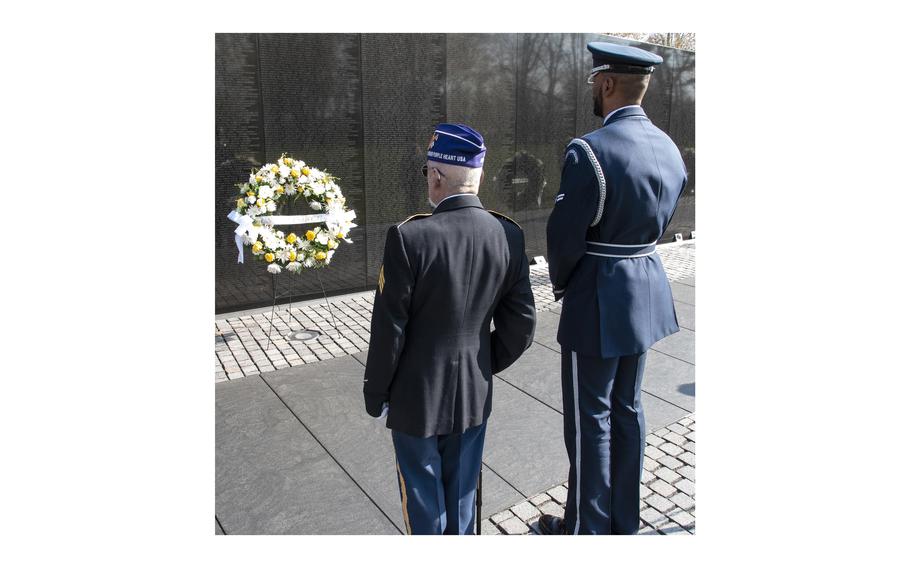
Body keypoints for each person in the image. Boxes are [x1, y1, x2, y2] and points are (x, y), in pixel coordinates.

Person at [538, 42, 688, 535]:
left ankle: (586, 531)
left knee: (590, 420)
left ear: (605, 84)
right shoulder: (669, 147)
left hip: (599, 296)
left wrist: (566, 287)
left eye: (594, 86)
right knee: (628, 408)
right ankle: (623, 523)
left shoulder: (590, 150)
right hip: (644, 287)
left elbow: (562, 241)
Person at [363, 123, 536, 535]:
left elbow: (390, 330)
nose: (428, 180)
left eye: (428, 172)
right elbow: (522, 323)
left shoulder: (410, 237)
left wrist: (376, 393)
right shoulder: (508, 234)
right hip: (473, 395)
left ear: (437, 176)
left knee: (424, 507)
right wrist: (482, 364)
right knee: (461, 501)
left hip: (415, 397)